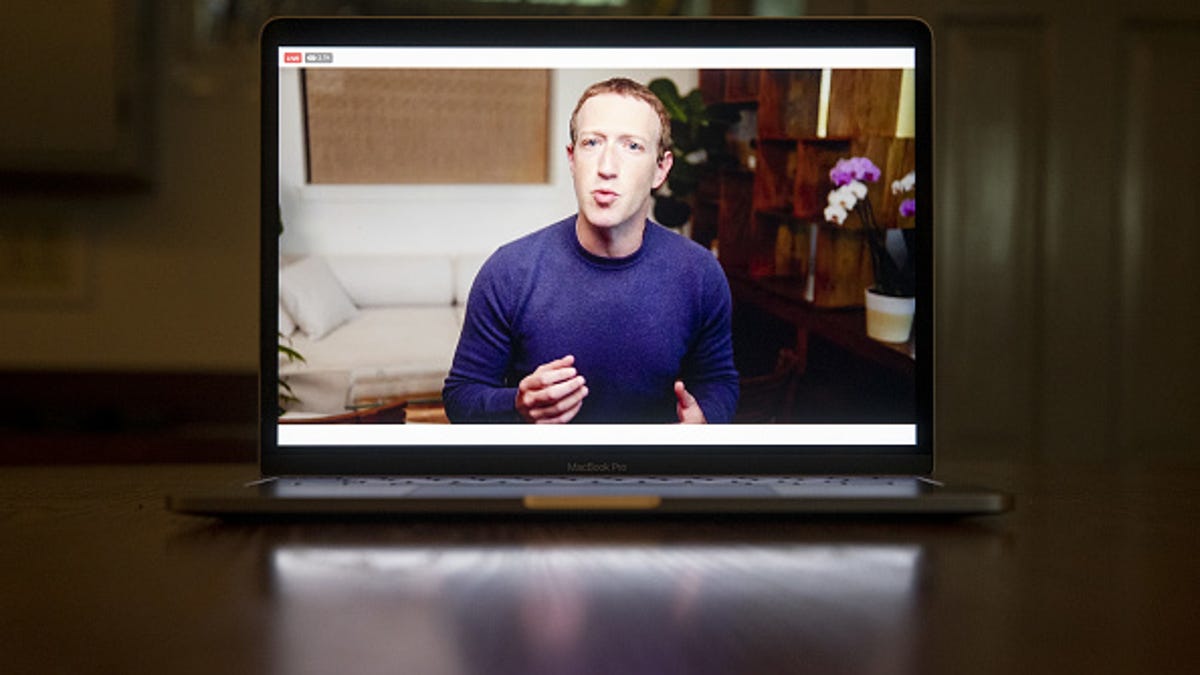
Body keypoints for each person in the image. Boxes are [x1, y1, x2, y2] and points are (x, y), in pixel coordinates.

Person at [443, 77, 739, 424]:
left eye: (632, 146)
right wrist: (517, 405)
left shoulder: (700, 273)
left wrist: (705, 418)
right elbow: (461, 394)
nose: (606, 168)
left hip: (650, 473)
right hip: (548, 474)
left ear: (661, 169)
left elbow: (719, 380)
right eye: (592, 142)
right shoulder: (509, 270)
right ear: (572, 158)